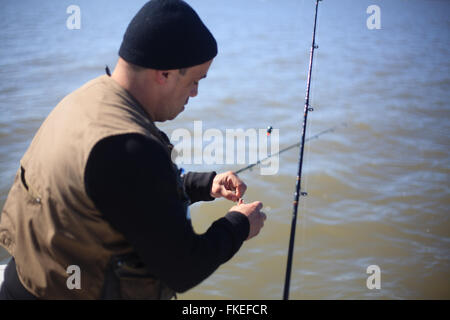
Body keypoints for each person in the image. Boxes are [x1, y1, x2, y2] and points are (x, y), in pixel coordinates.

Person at [0, 0, 266, 299]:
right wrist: (239, 224)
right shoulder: (129, 147)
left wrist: (205, 185)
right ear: (164, 73)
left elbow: (125, 196)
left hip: (22, 282)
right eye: (194, 81)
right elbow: (183, 268)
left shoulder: (86, 99)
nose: (195, 93)